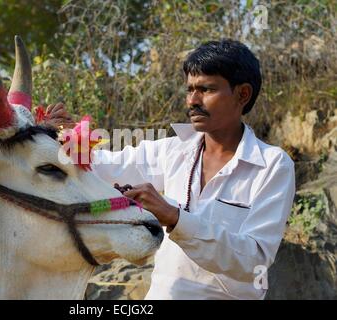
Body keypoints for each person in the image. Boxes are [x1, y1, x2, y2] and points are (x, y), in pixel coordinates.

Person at [45, 39, 296, 300]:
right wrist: (61, 138)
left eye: (206, 89)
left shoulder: (272, 166)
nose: (193, 101)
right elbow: (102, 168)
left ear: (242, 94)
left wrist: (175, 218)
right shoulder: (173, 150)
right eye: (189, 90)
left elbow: (253, 260)